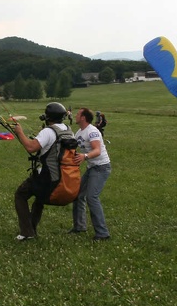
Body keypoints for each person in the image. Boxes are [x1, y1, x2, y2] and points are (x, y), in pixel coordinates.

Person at [11, 102, 69, 241]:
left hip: (46, 175)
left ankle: (27, 232)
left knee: (21, 195)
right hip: (59, 175)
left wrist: (19, 133)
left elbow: (31, 148)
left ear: (47, 117)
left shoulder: (48, 131)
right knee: (39, 199)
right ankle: (32, 228)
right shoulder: (67, 129)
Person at [68, 107, 111, 240]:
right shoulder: (79, 132)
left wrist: (85, 156)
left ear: (83, 117)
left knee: (92, 197)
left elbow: (97, 150)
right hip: (92, 168)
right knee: (78, 195)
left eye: (78, 114)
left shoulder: (92, 131)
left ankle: (103, 233)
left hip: (101, 167)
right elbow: (72, 148)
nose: (75, 116)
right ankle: (79, 226)